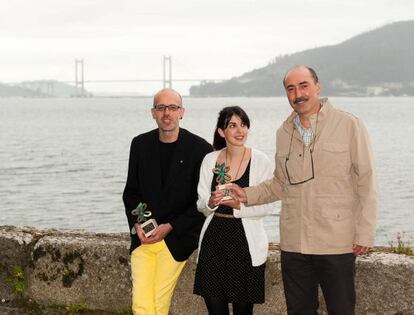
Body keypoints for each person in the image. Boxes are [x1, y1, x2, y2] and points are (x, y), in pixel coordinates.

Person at [230, 65, 377, 315]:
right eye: (291, 88)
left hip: (336, 242)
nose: (298, 93)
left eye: (304, 86)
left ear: (318, 87)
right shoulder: (283, 132)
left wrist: (364, 233)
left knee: (342, 310)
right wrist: (246, 194)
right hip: (294, 244)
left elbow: (367, 181)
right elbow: (279, 183)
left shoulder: (349, 125)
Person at [122, 88, 212, 315]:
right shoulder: (140, 145)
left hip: (177, 239)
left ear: (182, 112)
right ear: (153, 113)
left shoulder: (200, 149)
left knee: (158, 304)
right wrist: (140, 224)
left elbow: (202, 202)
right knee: (141, 306)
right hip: (144, 238)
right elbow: (131, 193)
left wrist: (170, 226)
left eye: (172, 107)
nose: (166, 113)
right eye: (161, 107)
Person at [193, 106, 276, 315]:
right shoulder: (209, 160)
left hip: (246, 246)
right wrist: (211, 202)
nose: (240, 131)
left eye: (243, 124)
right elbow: (201, 205)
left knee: (243, 312)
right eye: (232, 125)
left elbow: (269, 205)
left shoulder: (261, 161)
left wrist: (239, 207)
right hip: (213, 243)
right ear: (221, 132)